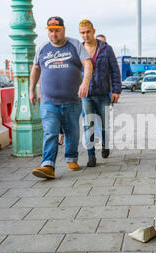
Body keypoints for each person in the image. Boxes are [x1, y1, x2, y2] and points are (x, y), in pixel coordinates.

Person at [30, 16, 93, 179]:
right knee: (50, 132)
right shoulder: (42, 48)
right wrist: (31, 90)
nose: (53, 34)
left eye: (57, 31)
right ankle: (47, 165)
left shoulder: (74, 45)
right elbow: (36, 68)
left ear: (63, 30)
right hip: (49, 101)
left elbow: (87, 63)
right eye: (51, 31)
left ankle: (71, 157)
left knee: (72, 131)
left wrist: (85, 82)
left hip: (72, 100)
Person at [78, 20, 122, 167]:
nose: (85, 35)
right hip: (86, 95)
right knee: (88, 125)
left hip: (104, 94)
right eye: (82, 33)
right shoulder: (78, 49)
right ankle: (91, 156)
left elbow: (115, 70)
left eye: (88, 32)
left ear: (93, 31)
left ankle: (105, 144)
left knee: (105, 125)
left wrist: (116, 90)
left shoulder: (106, 49)